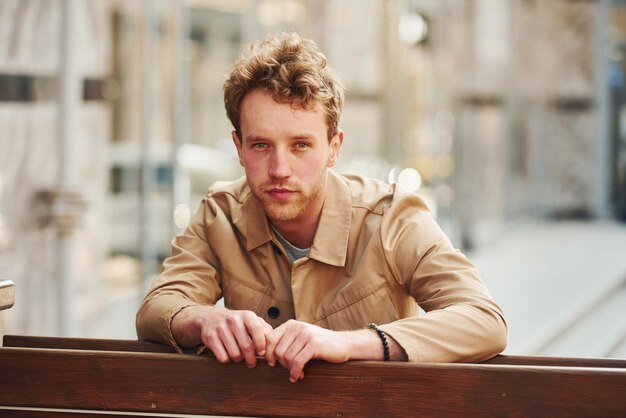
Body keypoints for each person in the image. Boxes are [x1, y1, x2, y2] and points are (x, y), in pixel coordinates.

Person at [136, 32, 507, 383]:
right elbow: (158, 306)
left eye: (300, 145)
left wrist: (352, 343)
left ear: (334, 147)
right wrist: (204, 318)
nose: (280, 170)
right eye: (261, 146)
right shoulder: (219, 215)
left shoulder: (392, 218)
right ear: (238, 148)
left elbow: (483, 318)